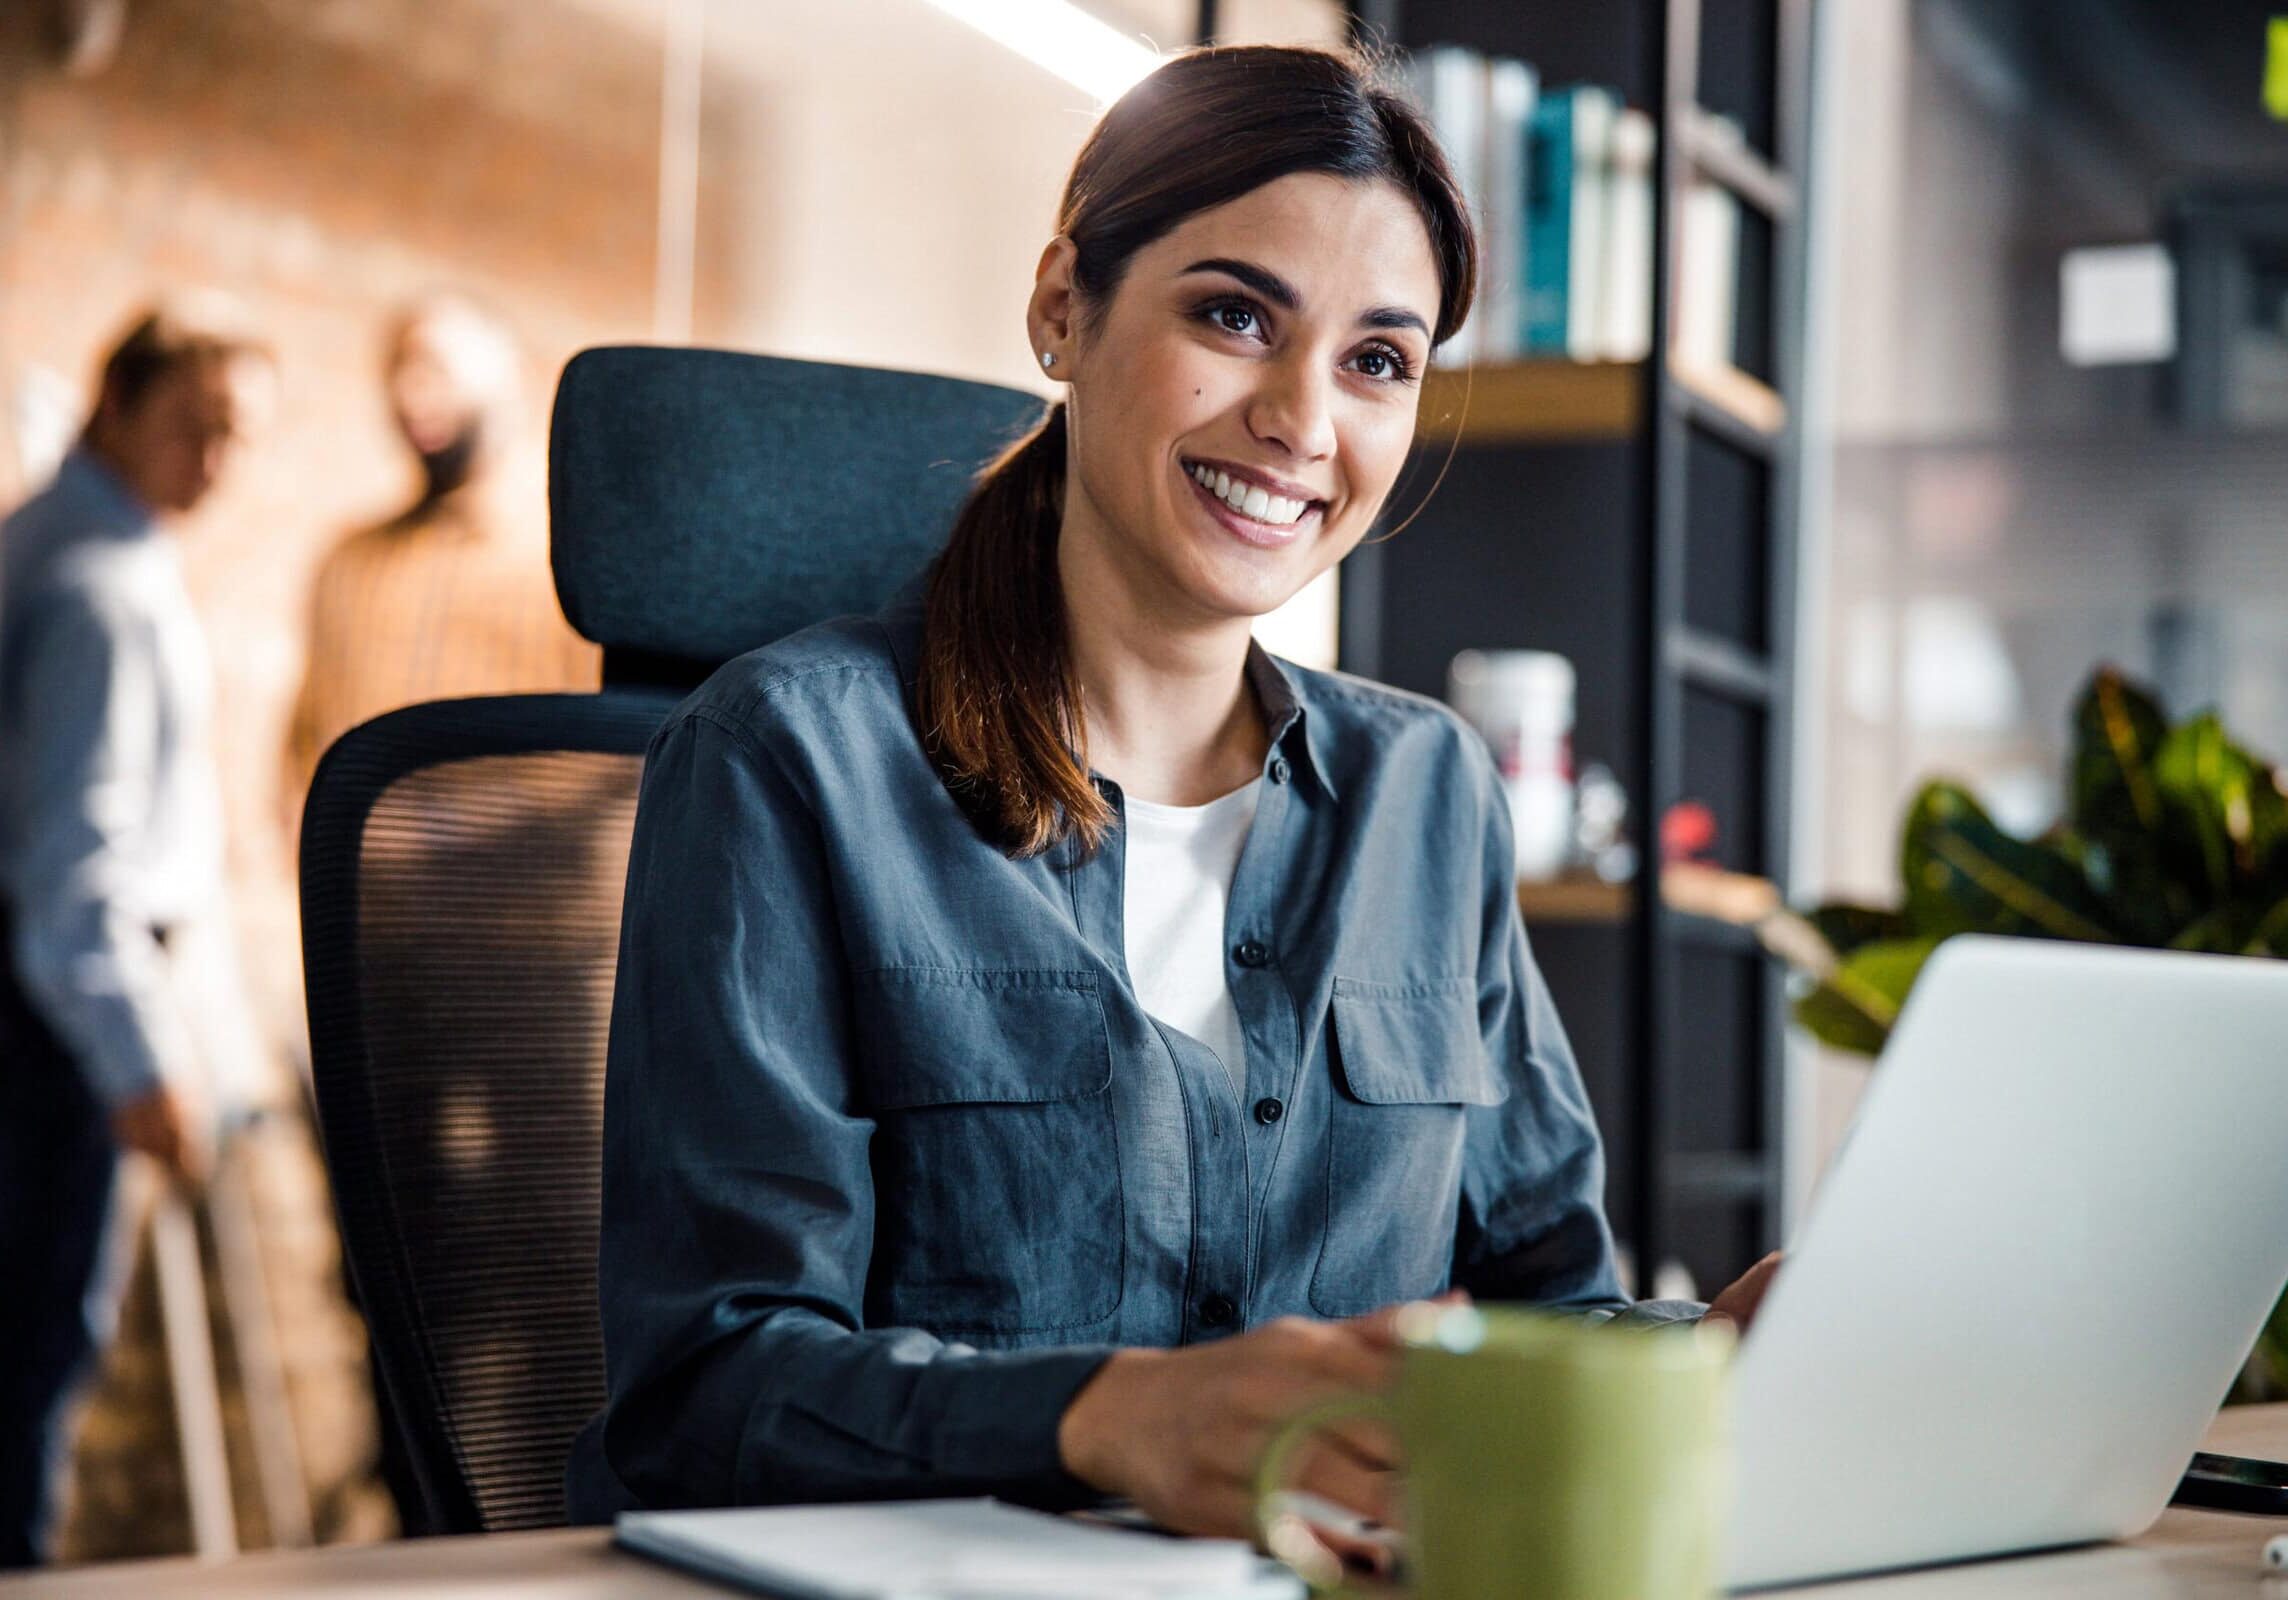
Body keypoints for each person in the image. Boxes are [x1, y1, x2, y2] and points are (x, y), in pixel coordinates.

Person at [567, 43, 1777, 1561]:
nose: (1301, 420)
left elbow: (1539, 1310)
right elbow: (705, 1388)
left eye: (1377, 361)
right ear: (1063, 308)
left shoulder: (1428, 791)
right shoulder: (786, 758)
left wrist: (1719, 1343)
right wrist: (1107, 1415)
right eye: (1232, 316)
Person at [0, 298, 273, 1568]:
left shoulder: (66, 540)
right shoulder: (97, 590)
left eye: (235, 438)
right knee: (31, 1357)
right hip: (52, 1030)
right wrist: (138, 1062)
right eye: (192, 426)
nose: (214, 463)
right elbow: (72, 874)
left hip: (51, 1011)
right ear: (114, 404)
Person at [282, 291, 596, 822]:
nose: (412, 393)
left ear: (509, 379)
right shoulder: (349, 563)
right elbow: (305, 746)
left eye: (436, 369)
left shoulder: (570, 570)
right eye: (400, 371)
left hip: (520, 893)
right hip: (364, 899)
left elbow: (599, 770)